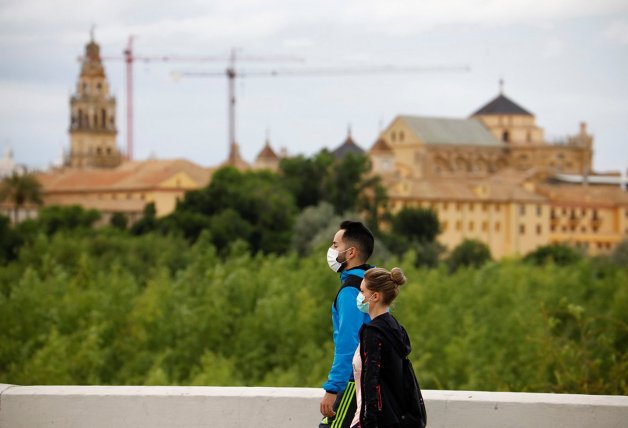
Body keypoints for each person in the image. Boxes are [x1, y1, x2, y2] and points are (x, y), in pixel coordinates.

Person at [320, 220, 375, 428]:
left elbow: (348, 342)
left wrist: (333, 388)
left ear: (351, 252)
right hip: (371, 379)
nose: (331, 250)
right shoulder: (372, 286)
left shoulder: (351, 291)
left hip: (354, 382)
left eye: (335, 245)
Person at [351, 267, 410, 428]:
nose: (359, 296)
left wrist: (369, 421)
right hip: (394, 417)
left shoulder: (373, 332)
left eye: (362, 291)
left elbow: (372, 379)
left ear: (375, 296)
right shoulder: (396, 328)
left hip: (373, 420)